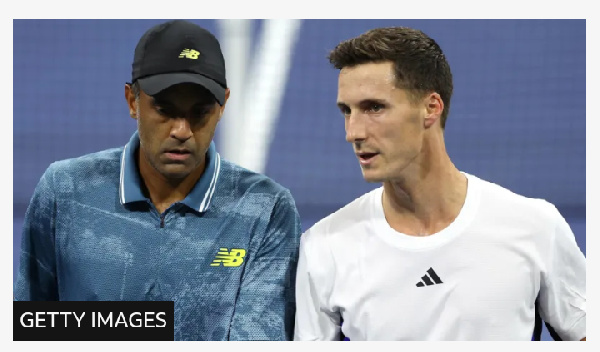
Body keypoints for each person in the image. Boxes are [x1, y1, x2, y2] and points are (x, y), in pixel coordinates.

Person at [14, 19, 302, 341]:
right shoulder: (65, 190)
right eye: (164, 110)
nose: (182, 131)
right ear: (132, 101)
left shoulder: (265, 207)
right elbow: (32, 327)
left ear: (222, 107)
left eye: (200, 112)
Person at [293, 26, 586, 341]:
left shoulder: (536, 227)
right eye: (346, 111)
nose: (353, 132)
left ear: (431, 108)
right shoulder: (324, 247)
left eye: (374, 108)